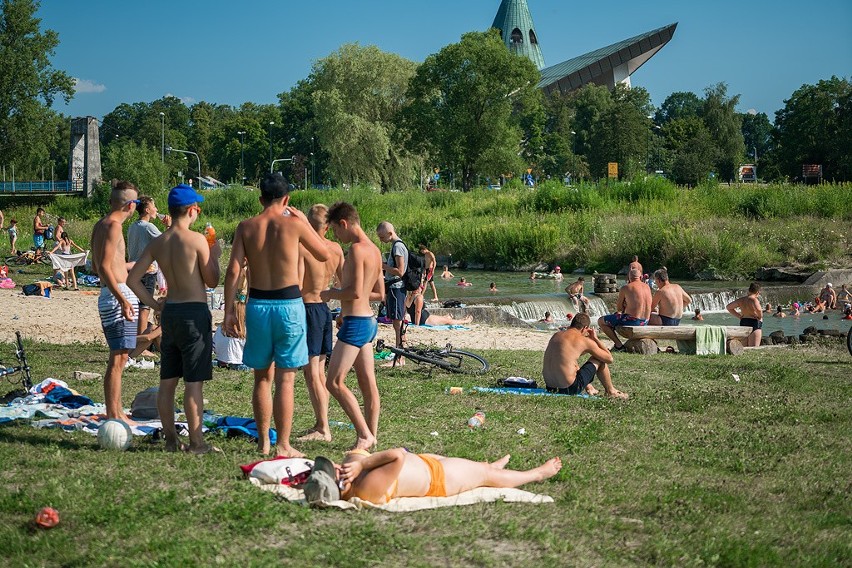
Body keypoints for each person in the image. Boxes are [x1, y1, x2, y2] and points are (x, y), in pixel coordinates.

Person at [224, 173, 329, 457]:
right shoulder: (294, 224)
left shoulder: (245, 227)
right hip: (289, 306)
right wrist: (305, 222)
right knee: (286, 379)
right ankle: (283, 445)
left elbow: (233, 271)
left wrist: (229, 312)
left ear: (260, 199)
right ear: (287, 200)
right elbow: (323, 254)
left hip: (258, 305)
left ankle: (263, 441)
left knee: (262, 378)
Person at [128, 184, 222, 454]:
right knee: (194, 382)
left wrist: (155, 303)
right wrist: (215, 255)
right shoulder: (197, 240)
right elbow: (212, 280)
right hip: (193, 312)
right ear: (192, 210)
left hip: (170, 314)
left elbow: (133, 279)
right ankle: (196, 443)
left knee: (167, 381)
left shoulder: (159, 242)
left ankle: (171, 440)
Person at [321, 202, 384, 451]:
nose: (337, 237)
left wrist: (330, 293)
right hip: (368, 321)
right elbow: (378, 293)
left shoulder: (357, 251)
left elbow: (355, 291)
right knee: (368, 384)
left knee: (334, 382)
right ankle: (372, 436)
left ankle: (364, 435)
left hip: (357, 325)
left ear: (344, 224)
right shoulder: (376, 250)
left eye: (336, 231)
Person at [305, 449, 563, 506]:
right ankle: (536, 474)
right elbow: (396, 456)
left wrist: (355, 462)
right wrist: (362, 465)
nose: (339, 466)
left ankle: (487, 467)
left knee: (481, 468)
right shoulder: (365, 490)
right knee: (486, 475)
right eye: (335, 472)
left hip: (428, 463)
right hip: (440, 479)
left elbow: (355, 453)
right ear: (341, 487)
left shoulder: (352, 475)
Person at [90, 181, 139, 420]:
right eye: (136, 203)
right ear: (130, 205)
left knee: (119, 357)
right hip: (116, 294)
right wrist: (123, 300)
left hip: (111, 292)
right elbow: (104, 267)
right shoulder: (114, 226)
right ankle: (114, 413)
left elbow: (99, 264)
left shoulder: (100, 225)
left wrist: (129, 267)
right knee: (119, 359)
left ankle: (117, 410)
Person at [298, 204, 345, 443]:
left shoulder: (303, 246)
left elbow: (295, 285)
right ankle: (320, 422)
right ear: (328, 226)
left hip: (307, 308)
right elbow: (344, 284)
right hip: (325, 308)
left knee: (312, 372)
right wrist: (343, 311)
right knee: (318, 371)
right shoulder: (336, 249)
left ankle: (323, 428)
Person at [542, 313, 628, 399]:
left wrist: (588, 386)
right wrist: (595, 338)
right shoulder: (583, 340)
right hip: (569, 388)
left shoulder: (556, 335)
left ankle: (590, 388)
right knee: (598, 358)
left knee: (570, 362)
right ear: (585, 328)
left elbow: (568, 361)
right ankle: (611, 391)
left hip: (550, 388)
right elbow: (609, 359)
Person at [128, 196, 171, 335]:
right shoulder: (148, 227)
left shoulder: (132, 226)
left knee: (136, 306)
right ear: (147, 210)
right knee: (144, 308)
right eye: (154, 206)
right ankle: (141, 344)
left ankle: (134, 338)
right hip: (147, 270)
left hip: (133, 270)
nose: (157, 209)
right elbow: (167, 242)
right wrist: (169, 226)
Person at [597, 269, 652, 351]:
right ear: (640, 277)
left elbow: (619, 308)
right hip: (645, 321)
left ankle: (618, 345)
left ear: (629, 278)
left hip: (633, 321)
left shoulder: (626, 287)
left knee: (601, 321)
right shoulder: (647, 287)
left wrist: (625, 306)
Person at [377, 222, 408, 356]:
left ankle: (399, 354)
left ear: (390, 233)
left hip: (397, 288)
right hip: (394, 288)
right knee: (397, 320)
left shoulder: (398, 247)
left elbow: (400, 271)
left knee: (397, 322)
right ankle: (401, 350)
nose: (381, 240)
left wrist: (383, 266)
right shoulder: (396, 246)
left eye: (382, 237)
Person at [213, 275, 247, 371]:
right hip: (239, 362)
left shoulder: (220, 328)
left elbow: (214, 347)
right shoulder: (245, 330)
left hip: (222, 360)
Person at [405, 289, 472, 326]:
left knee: (444, 318)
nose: (422, 288)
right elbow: (418, 312)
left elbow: (406, 310)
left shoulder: (408, 296)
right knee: (448, 321)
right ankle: (464, 321)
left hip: (423, 318)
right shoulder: (419, 297)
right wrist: (417, 325)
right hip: (425, 320)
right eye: (421, 286)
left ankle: (445, 317)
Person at [725, 282, 763, 347]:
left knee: (744, 347)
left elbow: (729, 307)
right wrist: (760, 316)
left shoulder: (742, 300)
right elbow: (759, 309)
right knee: (753, 348)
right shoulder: (754, 300)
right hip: (754, 323)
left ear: (749, 290)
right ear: (757, 292)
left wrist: (739, 316)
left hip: (744, 321)